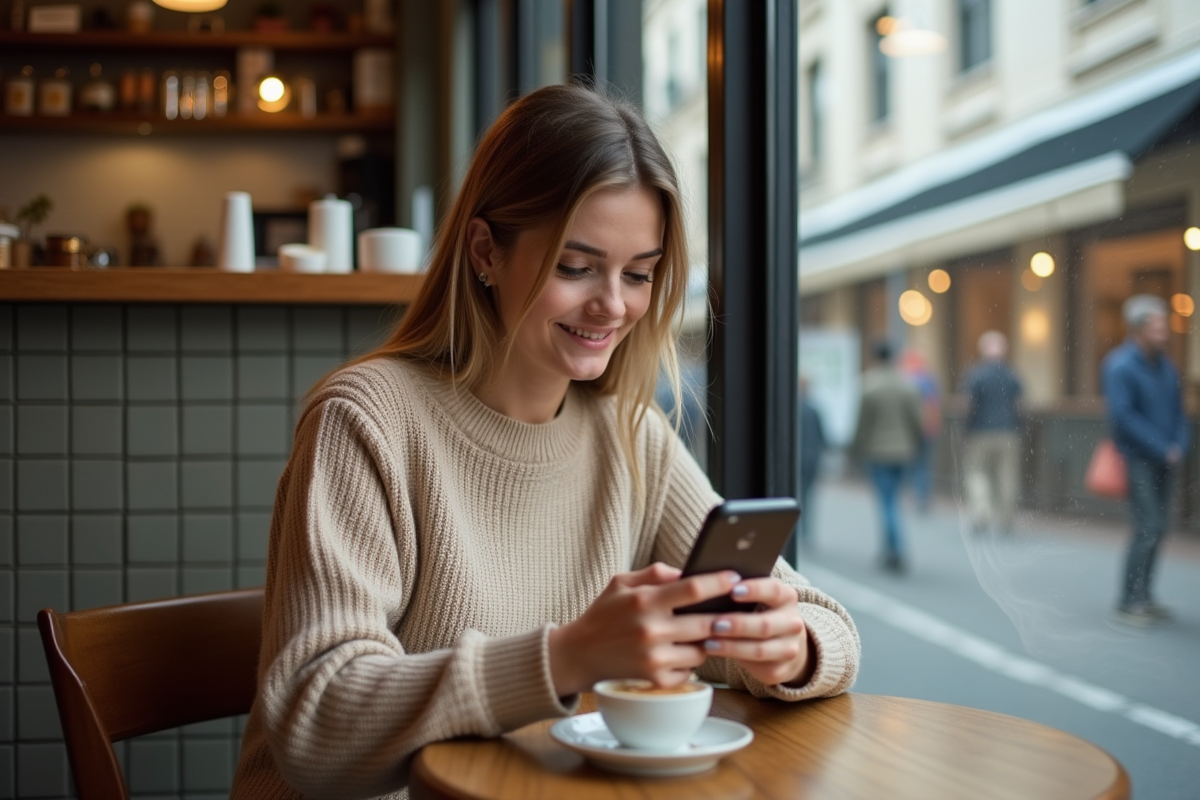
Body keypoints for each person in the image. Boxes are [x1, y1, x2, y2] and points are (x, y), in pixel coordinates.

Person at [230, 84, 860, 799]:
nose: (613, 305)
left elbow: (825, 624)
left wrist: (786, 646)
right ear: (484, 252)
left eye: (640, 274)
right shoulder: (367, 421)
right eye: (575, 265)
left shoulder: (630, 435)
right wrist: (568, 657)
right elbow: (318, 726)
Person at [1102, 295, 1190, 626]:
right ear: (1138, 329)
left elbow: (1179, 411)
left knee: (1159, 528)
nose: (1164, 332)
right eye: (1157, 326)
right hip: (1137, 458)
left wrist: (1180, 443)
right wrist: (1160, 446)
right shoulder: (1120, 365)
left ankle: (1146, 596)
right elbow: (1122, 417)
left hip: (1166, 458)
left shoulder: (1166, 366)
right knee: (1148, 526)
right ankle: (1128, 600)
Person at [852, 340, 923, 573]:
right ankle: (891, 549)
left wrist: (855, 450)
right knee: (895, 499)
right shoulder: (907, 384)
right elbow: (915, 421)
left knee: (886, 501)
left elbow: (862, 424)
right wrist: (916, 444)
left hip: (877, 451)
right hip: (903, 451)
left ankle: (894, 550)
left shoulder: (868, 385)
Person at [961, 331, 1023, 536]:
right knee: (1007, 476)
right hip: (1008, 432)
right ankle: (1006, 518)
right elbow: (1020, 405)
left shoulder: (976, 374)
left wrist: (966, 427)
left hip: (981, 431)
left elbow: (968, 405)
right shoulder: (1012, 374)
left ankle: (981, 511)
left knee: (977, 473)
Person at [899, 348, 942, 513]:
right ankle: (922, 496)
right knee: (923, 464)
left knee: (911, 464)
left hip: (910, 430)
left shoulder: (906, 380)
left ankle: (914, 495)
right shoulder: (929, 380)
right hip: (926, 429)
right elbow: (935, 404)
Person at [797, 375, 826, 548]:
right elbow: (823, 437)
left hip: (797, 459)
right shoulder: (814, 410)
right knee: (808, 496)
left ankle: (798, 530)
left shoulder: (792, 409)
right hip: (812, 458)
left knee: (796, 495)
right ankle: (807, 531)